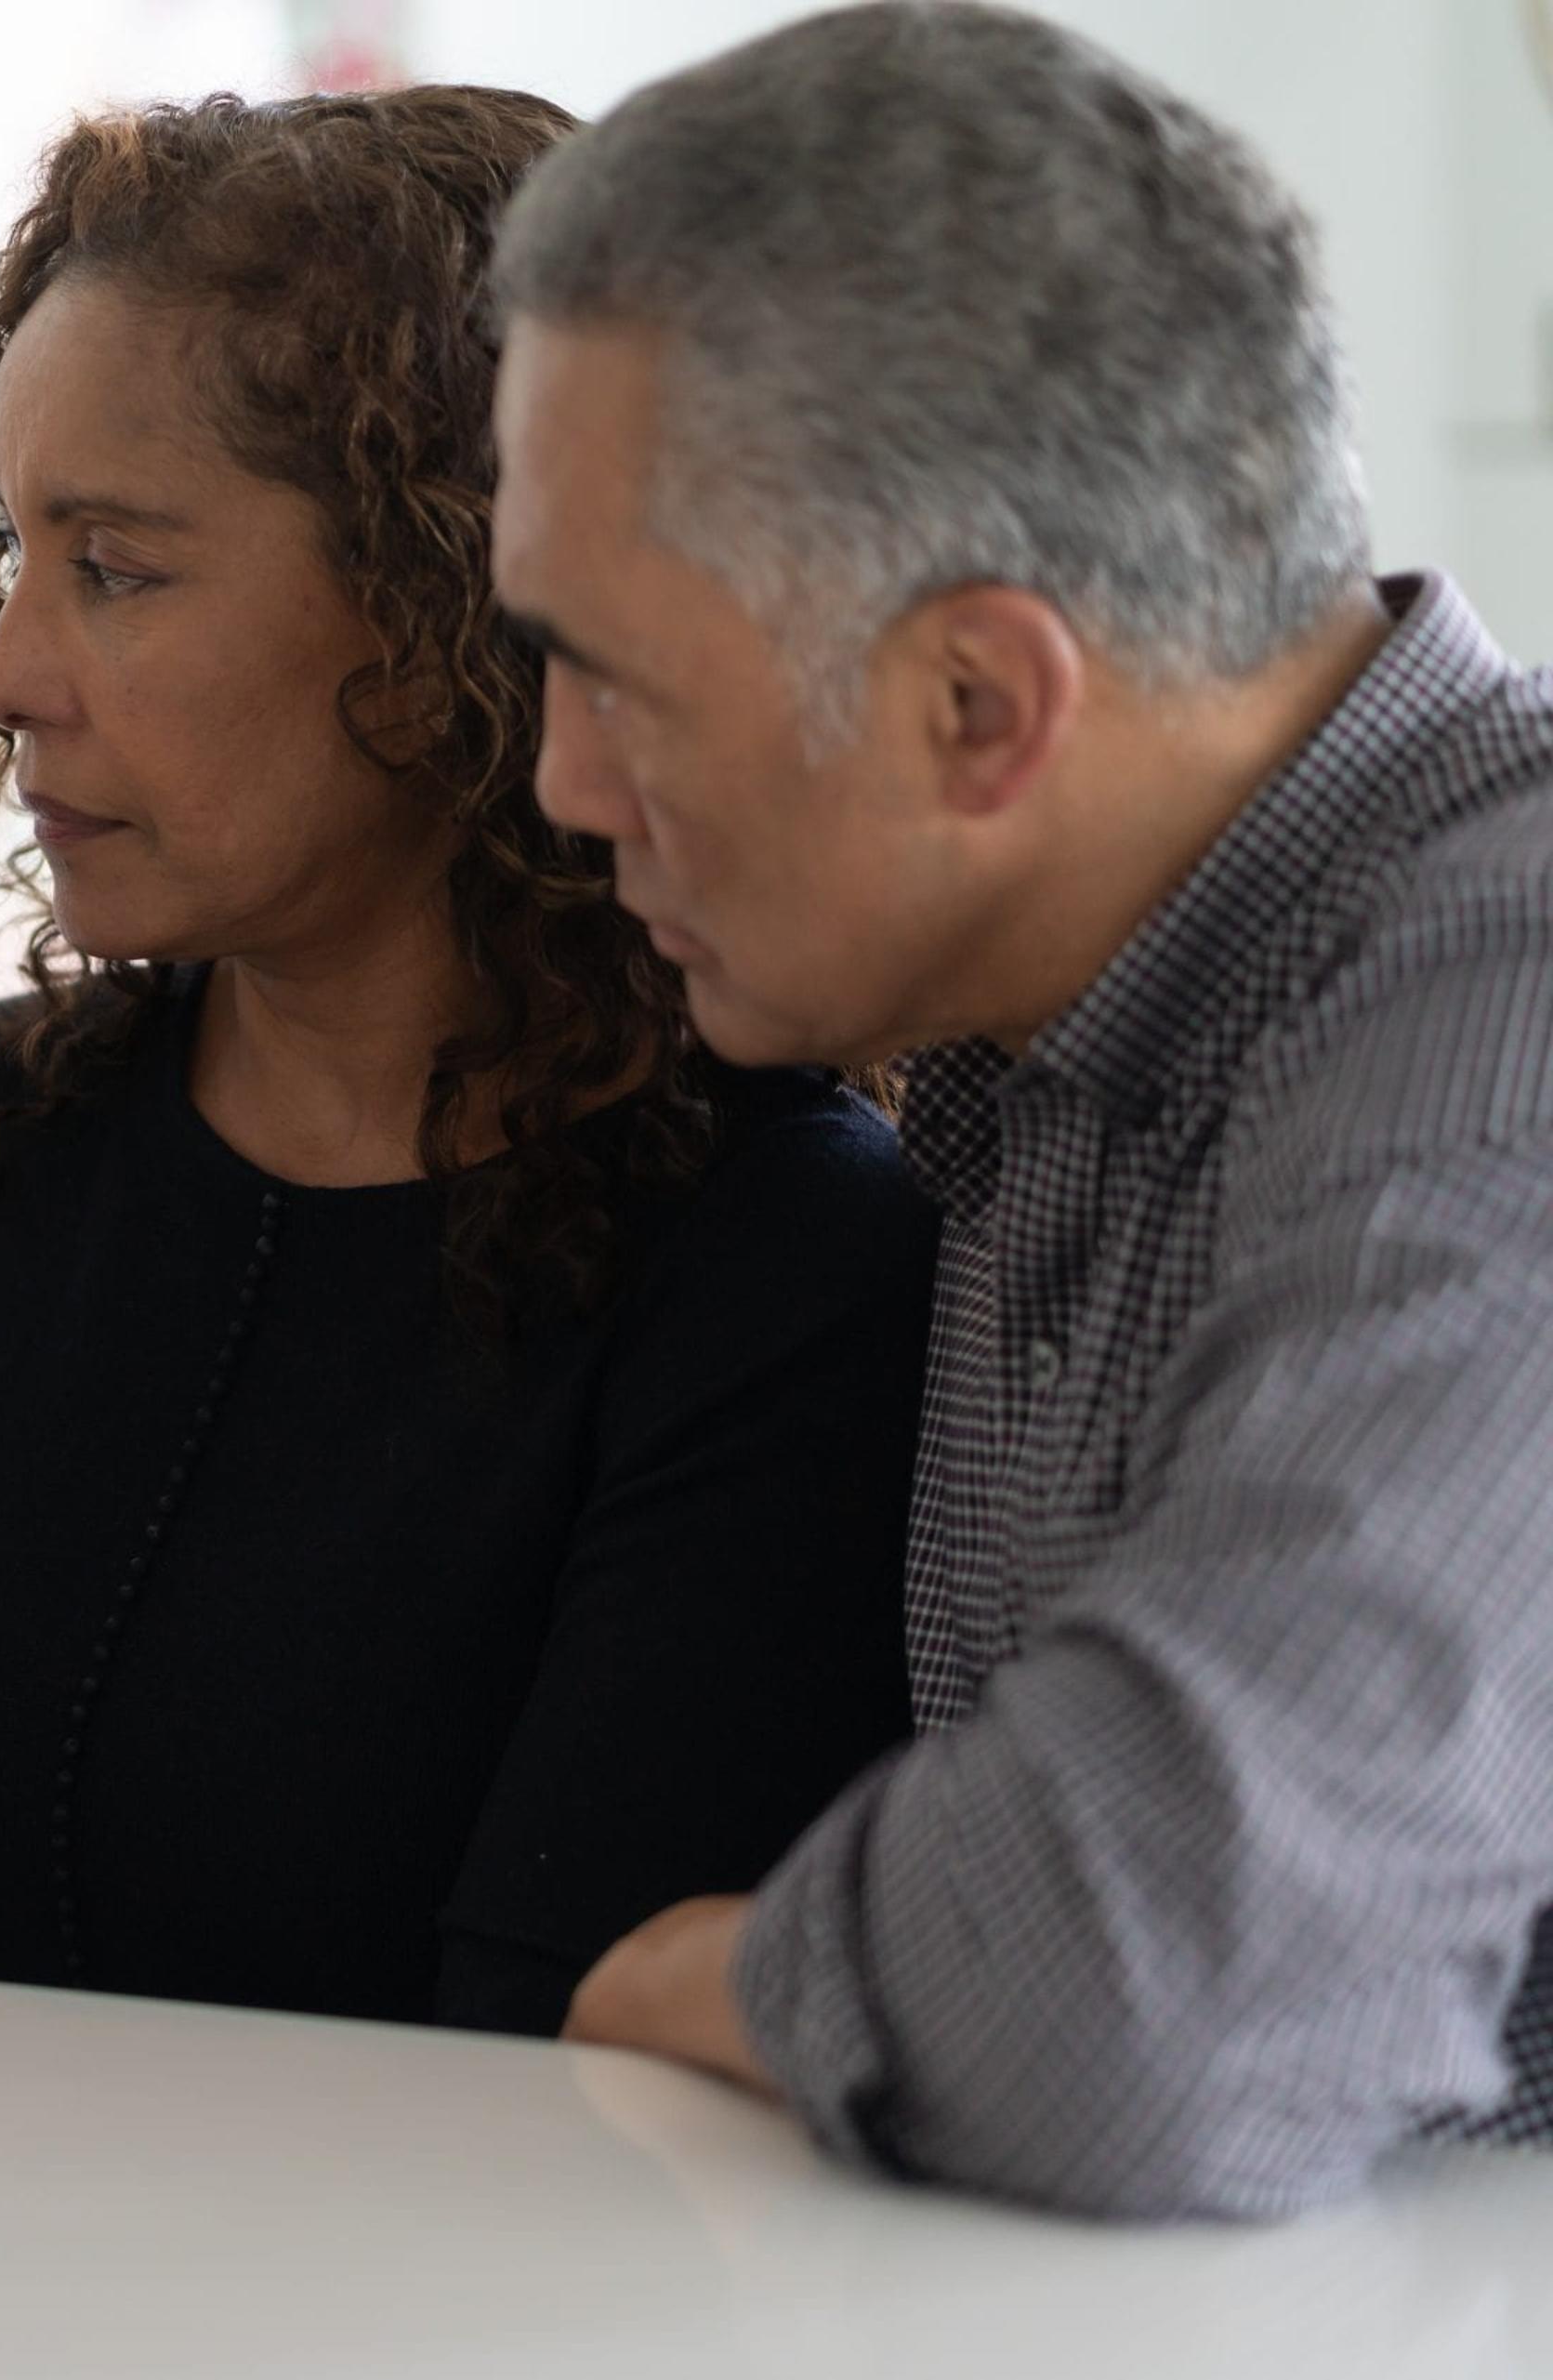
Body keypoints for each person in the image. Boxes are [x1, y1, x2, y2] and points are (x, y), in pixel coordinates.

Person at [0, 88, 936, 2035]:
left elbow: (548, 2024)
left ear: (452, 611)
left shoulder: (780, 1252)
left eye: (121, 567)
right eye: (13, 549)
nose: (2, 671)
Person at [488, 1, 1553, 2217]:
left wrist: (723, 1967)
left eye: (613, 681)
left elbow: (1151, 1999)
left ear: (981, 704)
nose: (563, 789)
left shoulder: (1504, 1022)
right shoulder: (1055, 1025)